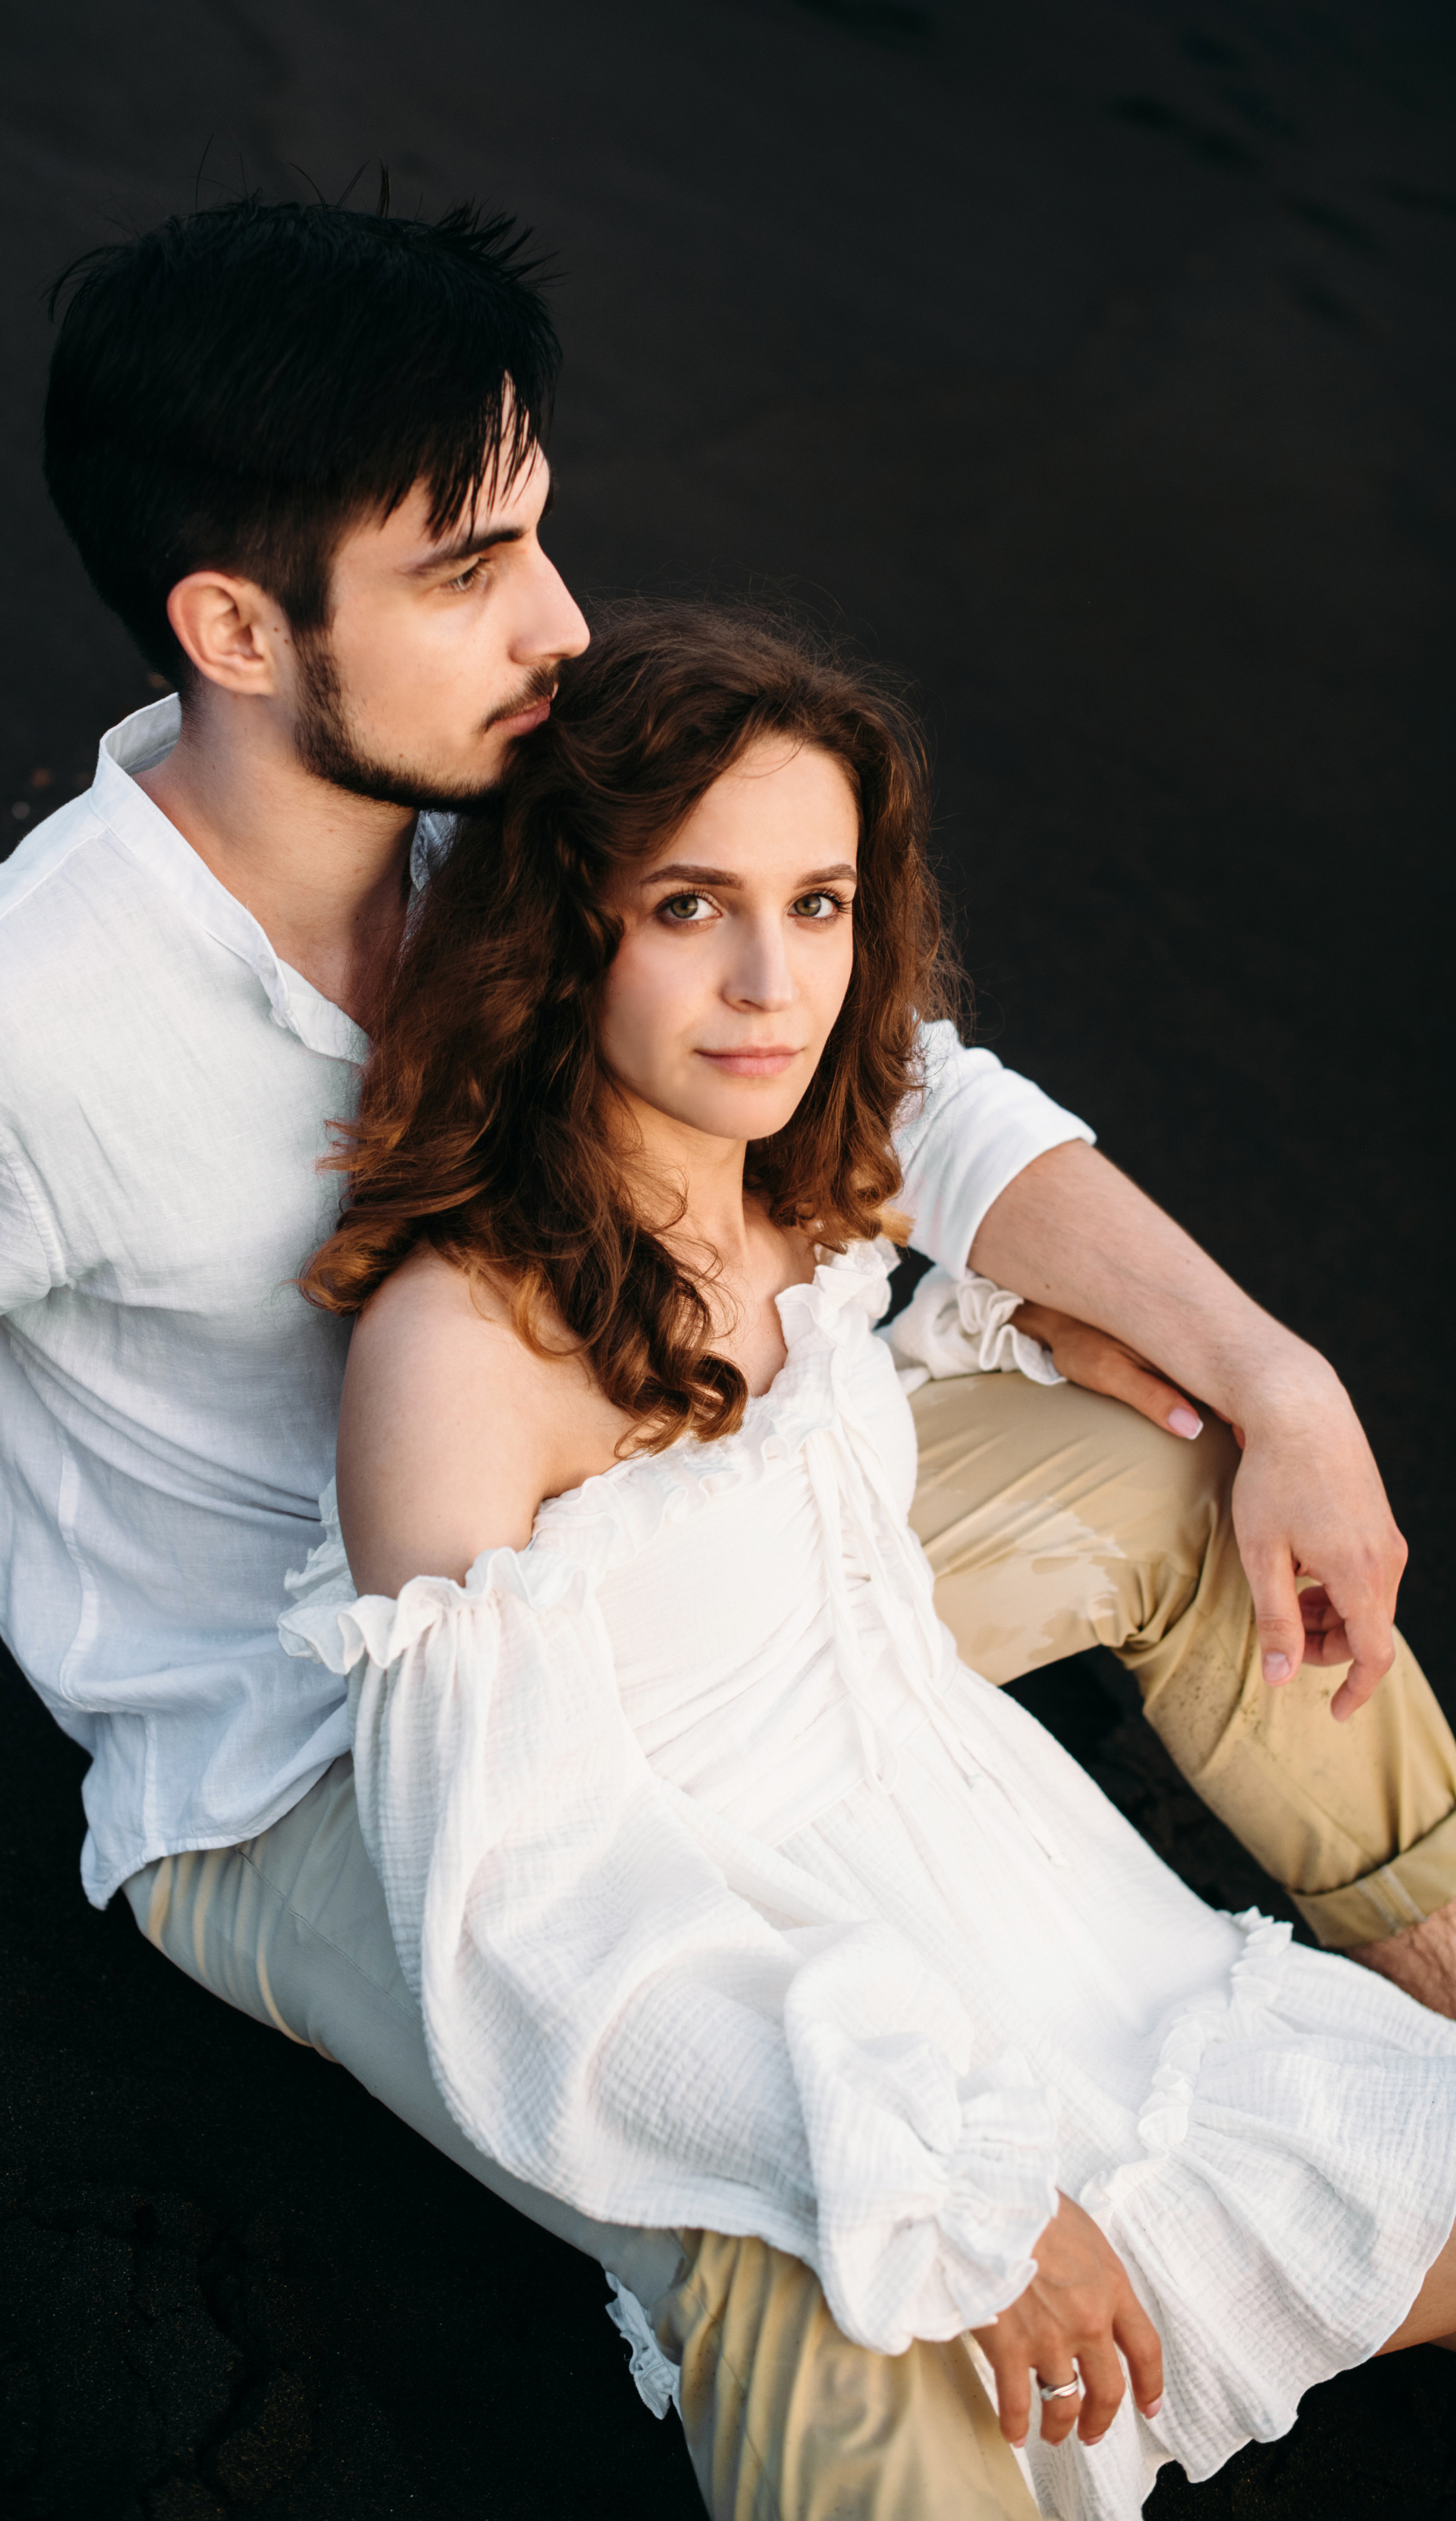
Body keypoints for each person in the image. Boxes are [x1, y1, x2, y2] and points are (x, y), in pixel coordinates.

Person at [0, 194, 1448, 2516]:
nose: (559, 621)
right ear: (236, 627)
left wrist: (1280, 1379)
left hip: (687, 1543)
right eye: (469, 568)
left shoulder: (502, 800)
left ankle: (1432, 1952)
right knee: (807, 2221)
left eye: (540, 532)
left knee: (1163, 1467)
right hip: (330, 1768)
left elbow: (896, 1085)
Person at [283, 601, 1456, 2521]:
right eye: (691, 907)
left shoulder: (789, 1196)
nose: (774, 982)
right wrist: (954, 2179)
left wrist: (1076, 1330)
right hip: (831, 2015)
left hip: (1062, 1916)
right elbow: (524, 1914)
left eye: (818, 905)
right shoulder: (462, 1355)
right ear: (566, 926)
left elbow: (907, 1239)